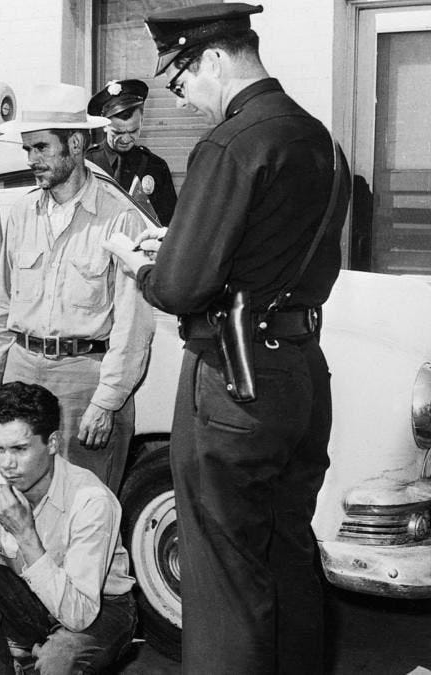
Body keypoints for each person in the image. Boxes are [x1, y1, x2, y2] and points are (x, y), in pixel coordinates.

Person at [102, 4, 350, 672]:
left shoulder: (234, 142)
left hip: (233, 383)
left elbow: (181, 289)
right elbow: (272, 252)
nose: (184, 102)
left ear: (214, 59)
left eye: (181, 83)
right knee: (288, 553)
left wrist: (144, 265)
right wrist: (181, 246)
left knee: (222, 578)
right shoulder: (322, 140)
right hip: (301, 374)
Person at [0, 83, 155, 495]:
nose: (32, 160)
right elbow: (0, 306)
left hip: (82, 380)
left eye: (40, 148)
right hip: (21, 372)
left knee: (82, 510)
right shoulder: (22, 214)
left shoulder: (120, 218)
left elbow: (133, 324)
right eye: (28, 150)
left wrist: (107, 401)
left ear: (74, 144)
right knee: (17, 505)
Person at [0, 382, 136, 675]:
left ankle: (39, 658)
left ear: (51, 444)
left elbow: (79, 615)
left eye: (20, 449)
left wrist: (27, 537)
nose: (7, 464)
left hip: (100, 609)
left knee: (58, 660)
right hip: (34, 598)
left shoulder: (91, 499)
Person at [84, 79, 178, 226]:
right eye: (118, 132)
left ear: (142, 121)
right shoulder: (87, 163)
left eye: (134, 131)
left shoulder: (155, 166)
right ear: (104, 126)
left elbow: (170, 222)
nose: (126, 139)